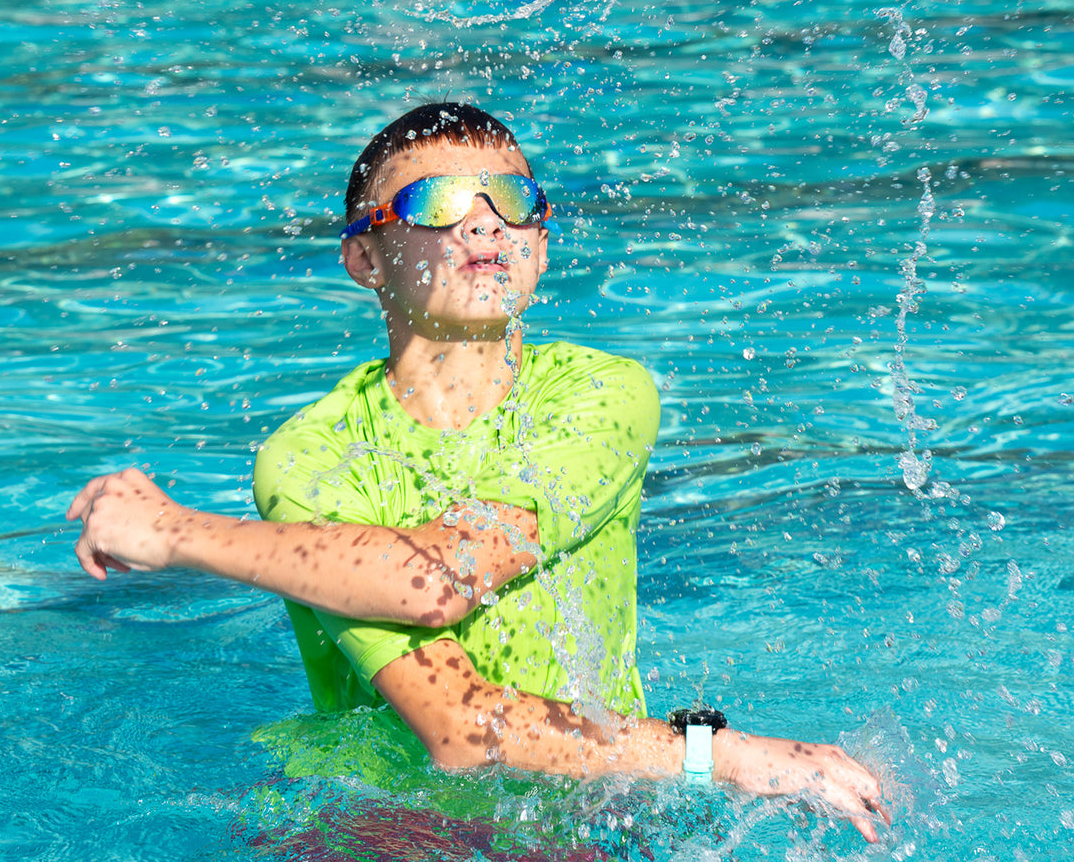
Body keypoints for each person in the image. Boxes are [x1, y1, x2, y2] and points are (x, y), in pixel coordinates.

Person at [68, 102, 890, 844]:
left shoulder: (602, 395)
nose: (485, 228)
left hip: (591, 811)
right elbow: (460, 727)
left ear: (539, 244)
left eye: (513, 203)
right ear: (366, 258)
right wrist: (729, 756)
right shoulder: (315, 455)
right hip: (381, 829)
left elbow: (451, 567)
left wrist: (177, 532)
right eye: (439, 205)